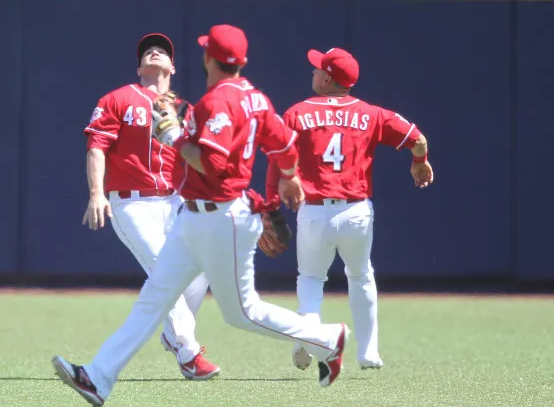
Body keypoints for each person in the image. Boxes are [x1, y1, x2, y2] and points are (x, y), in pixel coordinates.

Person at [54, 25, 350, 406]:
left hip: (220, 218)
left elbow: (212, 164)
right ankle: (98, 377)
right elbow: (286, 147)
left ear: (208, 58)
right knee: (155, 296)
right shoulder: (256, 99)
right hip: (195, 217)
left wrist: (174, 137)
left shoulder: (215, 103)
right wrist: (289, 178)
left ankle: (328, 339)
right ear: (241, 61)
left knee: (242, 313)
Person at [263, 47, 433, 372]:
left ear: (328, 78)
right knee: (361, 276)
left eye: (318, 68)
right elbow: (418, 139)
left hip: (315, 211)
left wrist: (270, 207)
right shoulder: (372, 113)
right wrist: (419, 162)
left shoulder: (297, 112)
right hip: (356, 212)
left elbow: (277, 158)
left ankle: (309, 337)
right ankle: (368, 352)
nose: (313, 72)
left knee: (311, 278)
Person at [80, 32, 219, 381]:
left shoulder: (184, 109)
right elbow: (97, 146)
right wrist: (96, 193)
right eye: (147, 51)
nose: (154, 52)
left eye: (162, 51)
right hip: (132, 203)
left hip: (175, 201)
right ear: (139, 67)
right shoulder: (118, 98)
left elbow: (199, 161)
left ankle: (173, 335)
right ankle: (189, 353)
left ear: (173, 67)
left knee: (201, 267)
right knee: (165, 269)